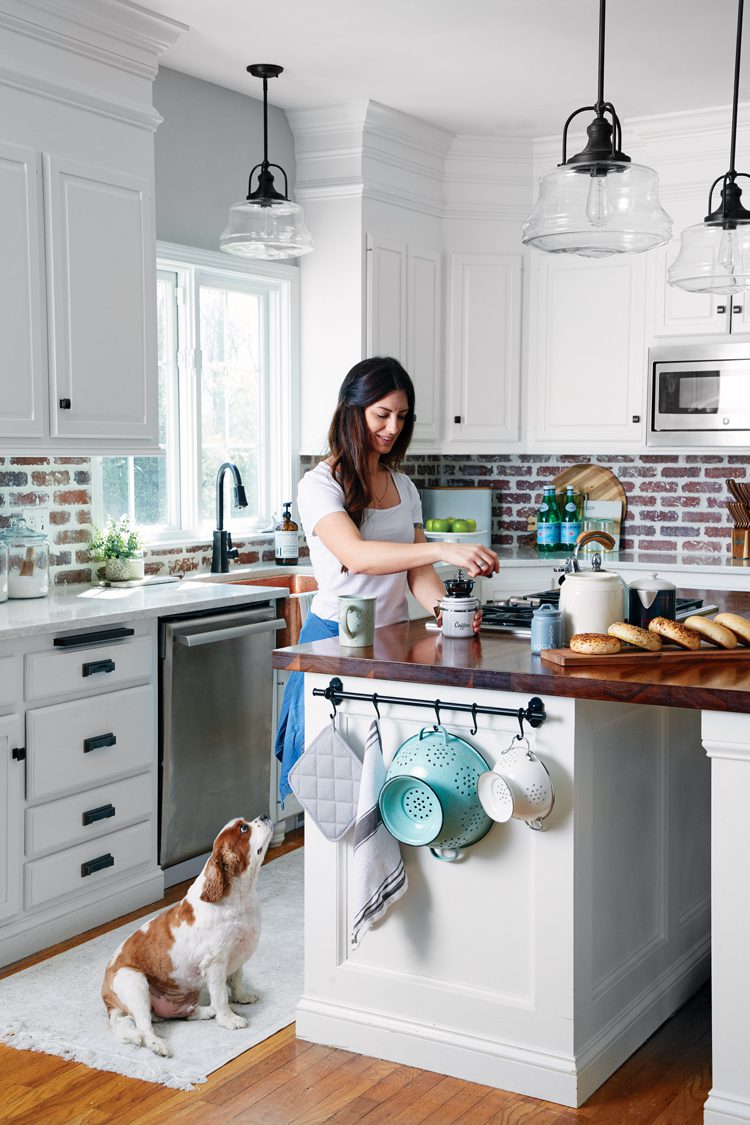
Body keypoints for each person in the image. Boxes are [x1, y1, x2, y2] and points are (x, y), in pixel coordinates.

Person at [275, 356, 500, 801]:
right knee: (332, 785)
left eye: (401, 417)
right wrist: (442, 546)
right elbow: (355, 555)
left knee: (383, 776)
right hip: (334, 643)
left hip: (391, 645)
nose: (393, 428)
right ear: (351, 411)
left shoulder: (404, 486)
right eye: (382, 414)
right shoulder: (320, 484)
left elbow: (417, 573)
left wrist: (445, 611)